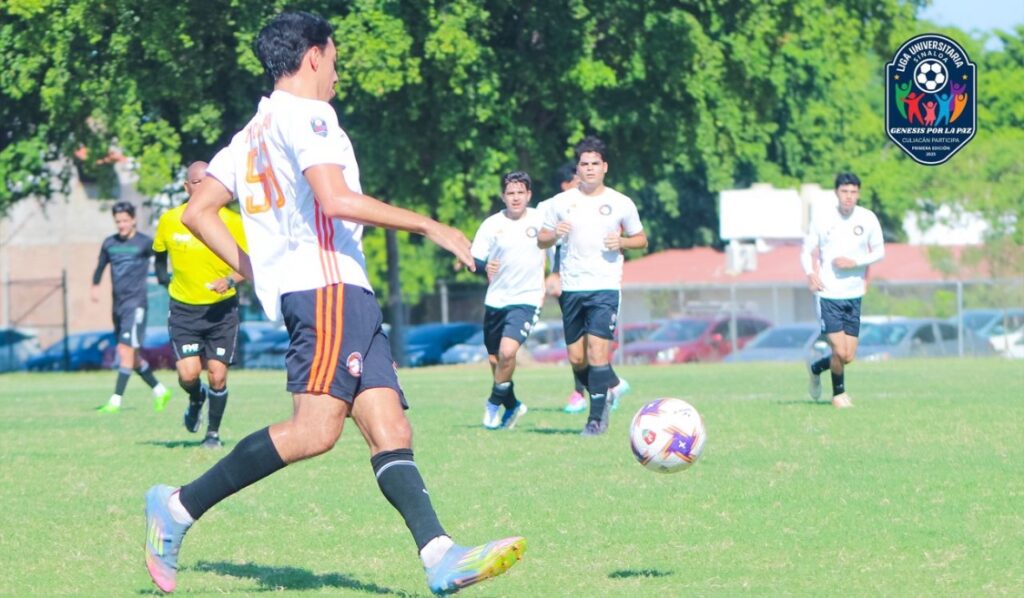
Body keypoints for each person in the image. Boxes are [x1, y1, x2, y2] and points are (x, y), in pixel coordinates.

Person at [143, 12, 524, 595]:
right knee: (315, 430)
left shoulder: (250, 133)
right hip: (328, 293)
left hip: (342, 293)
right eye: (336, 61)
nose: (337, 75)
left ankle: (440, 556)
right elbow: (336, 199)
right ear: (314, 55)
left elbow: (198, 212)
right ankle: (176, 508)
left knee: (390, 427)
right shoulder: (310, 115)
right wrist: (430, 226)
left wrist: (261, 272)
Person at [537, 136, 647, 436]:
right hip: (572, 288)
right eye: (584, 164)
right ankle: (606, 392)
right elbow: (541, 240)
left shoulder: (620, 202)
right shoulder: (560, 203)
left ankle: (595, 419)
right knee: (577, 358)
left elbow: (641, 239)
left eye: (594, 163)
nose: (589, 169)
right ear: (578, 169)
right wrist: (554, 234)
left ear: (604, 167)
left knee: (598, 353)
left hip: (604, 287)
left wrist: (622, 241)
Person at [153, 161, 248, 449]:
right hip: (184, 310)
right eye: (197, 182)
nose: (203, 187)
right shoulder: (170, 219)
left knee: (217, 375)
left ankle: (213, 434)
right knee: (188, 374)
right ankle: (196, 398)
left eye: (208, 181)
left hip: (221, 310)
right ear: (187, 187)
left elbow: (249, 266)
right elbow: (159, 257)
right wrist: (166, 282)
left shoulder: (233, 221)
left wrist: (229, 281)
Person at [542, 162, 632, 414]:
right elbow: (541, 241)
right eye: (577, 177)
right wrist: (550, 275)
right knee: (577, 351)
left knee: (594, 346)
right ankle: (610, 385)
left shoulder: (604, 203)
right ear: (566, 184)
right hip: (568, 285)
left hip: (595, 285)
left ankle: (587, 397)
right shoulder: (553, 206)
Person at [801, 172, 885, 408]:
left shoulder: (867, 218)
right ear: (836, 193)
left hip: (854, 295)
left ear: (858, 194)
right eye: (844, 191)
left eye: (853, 192)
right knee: (838, 349)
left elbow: (879, 251)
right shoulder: (823, 218)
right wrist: (810, 272)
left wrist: (855, 262)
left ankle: (816, 367)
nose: (849, 196)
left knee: (848, 355)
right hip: (828, 295)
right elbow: (806, 250)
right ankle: (838, 394)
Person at [471, 171, 544, 430]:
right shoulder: (492, 224)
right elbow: (474, 260)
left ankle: (493, 403)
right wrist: (484, 267)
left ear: (529, 195)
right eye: (510, 193)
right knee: (496, 361)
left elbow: (557, 247)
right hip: (496, 300)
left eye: (520, 193)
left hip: (527, 299)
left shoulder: (540, 219)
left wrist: (556, 275)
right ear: (503, 196)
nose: (515, 198)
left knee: (507, 352)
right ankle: (512, 405)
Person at [92, 202, 172, 413]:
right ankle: (160, 390)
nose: (121, 225)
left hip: (136, 305)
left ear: (133, 220)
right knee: (132, 356)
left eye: (125, 220)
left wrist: (166, 281)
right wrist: (95, 286)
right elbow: (100, 266)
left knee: (124, 350)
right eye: (118, 221)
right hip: (117, 305)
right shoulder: (109, 243)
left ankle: (116, 400)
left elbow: (161, 262)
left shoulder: (145, 243)